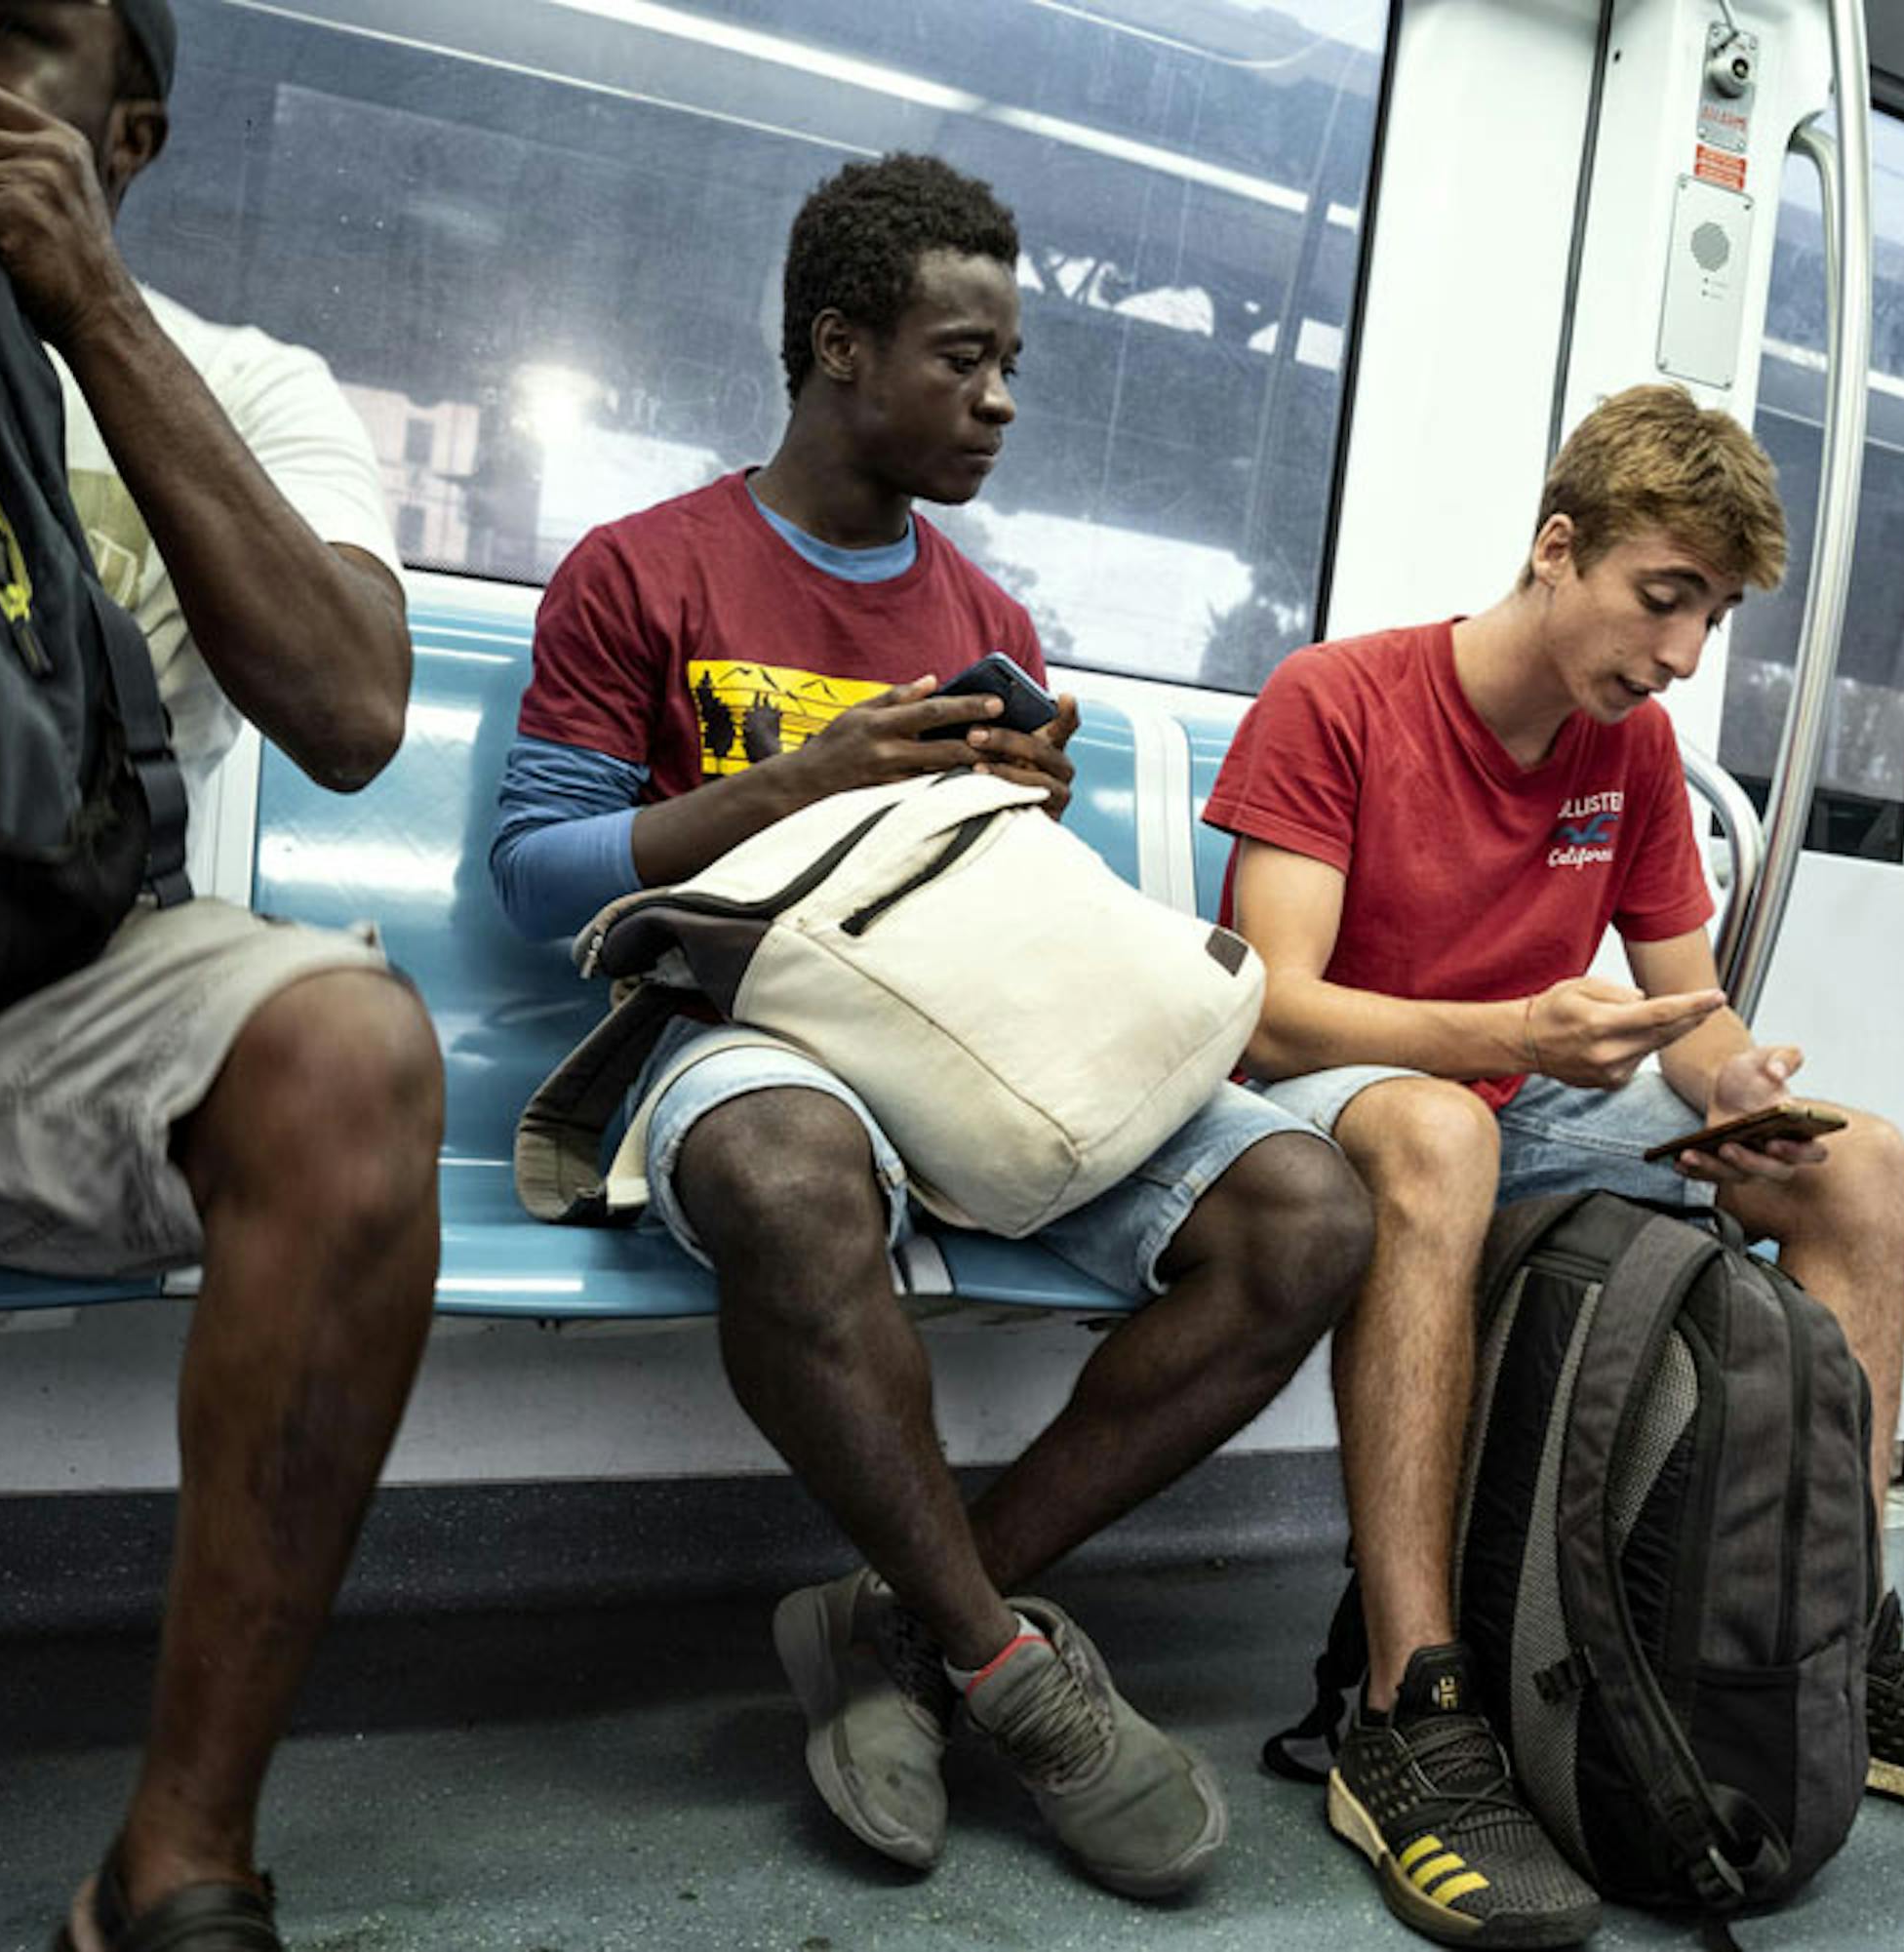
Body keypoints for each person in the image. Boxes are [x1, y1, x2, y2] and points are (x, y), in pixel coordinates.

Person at [490, 151, 1374, 1900]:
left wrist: (1020, 804)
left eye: (1009, 362)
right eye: (962, 360)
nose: (1000, 400)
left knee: (1311, 1213)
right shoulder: (642, 571)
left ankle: (897, 1624)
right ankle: (1007, 1667)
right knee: (790, 1175)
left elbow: (992, 905)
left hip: (964, 1013)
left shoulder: (984, 620)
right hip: (747, 1020)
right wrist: (791, 782)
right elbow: (538, 872)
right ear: (839, 348)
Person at [1208, 383, 1904, 1947]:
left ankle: (1839, 1641)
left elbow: (1688, 1010)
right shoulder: (1337, 697)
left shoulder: (1631, 751)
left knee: (1860, 1162)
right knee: (1444, 1124)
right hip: (1348, 1099)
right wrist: (1504, 1030)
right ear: (1560, 548)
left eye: (1713, 615)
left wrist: (1736, 1076)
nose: (1684, 652)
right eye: (1662, 597)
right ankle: (1407, 1707)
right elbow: (1268, 1011)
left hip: (1530, 1097)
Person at [0, 7, 436, 1948]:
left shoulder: (242, 378)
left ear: (123, 136)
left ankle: (175, 1867)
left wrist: (89, 311)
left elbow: (355, 706)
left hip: (18, 1026)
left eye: (12, 32)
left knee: (348, 1054)